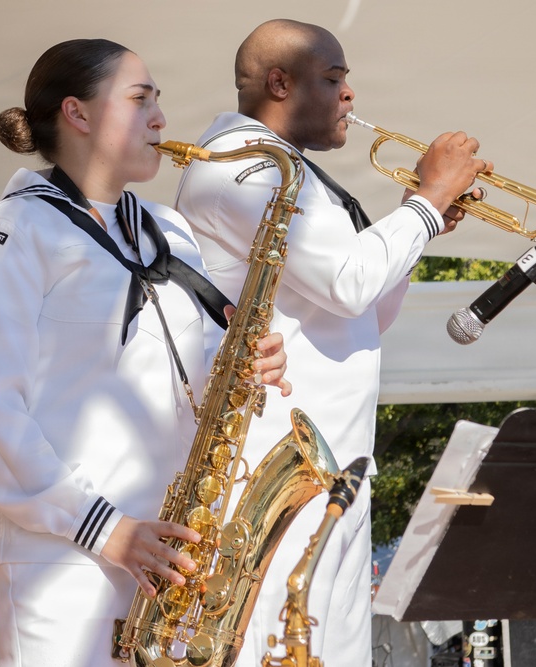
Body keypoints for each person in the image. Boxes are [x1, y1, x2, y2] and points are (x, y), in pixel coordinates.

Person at [0, 39, 291, 667]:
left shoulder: (170, 230)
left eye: (158, 99)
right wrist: (107, 529)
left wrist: (249, 362)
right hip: (60, 564)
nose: (161, 118)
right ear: (78, 114)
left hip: (170, 552)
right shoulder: (7, 235)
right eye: (140, 99)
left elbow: (195, 372)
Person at [173, 19, 493, 667]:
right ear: (279, 82)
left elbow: (365, 316)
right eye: (334, 78)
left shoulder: (293, 171)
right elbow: (349, 284)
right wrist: (426, 202)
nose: (350, 95)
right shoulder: (241, 165)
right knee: (275, 646)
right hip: (274, 479)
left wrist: (417, 222)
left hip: (334, 471)